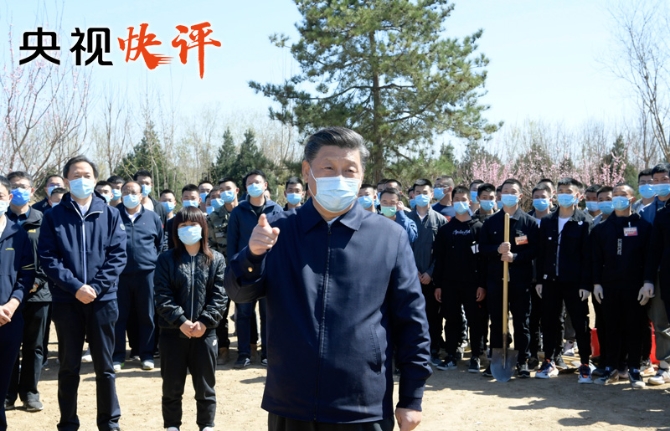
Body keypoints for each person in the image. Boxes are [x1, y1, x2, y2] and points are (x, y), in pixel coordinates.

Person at [224, 127, 431, 431]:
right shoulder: (278, 232)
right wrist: (252, 255)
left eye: (350, 170)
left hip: (362, 404)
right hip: (291, 401)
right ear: (307, 171)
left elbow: (412, 320)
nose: (340, 178)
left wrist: (412, 396)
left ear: (362, 176)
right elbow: (238, 292)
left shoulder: (389, 237)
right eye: (329, 168)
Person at [38, 155, 127, 431]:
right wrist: (76, 287)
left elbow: (118, 256)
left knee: (105, 366)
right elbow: (48, 257)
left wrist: (96, 287)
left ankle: (109, 422)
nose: (82, 180)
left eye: (87, 175)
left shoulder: (110, 214)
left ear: (95, 179)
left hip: (104, 300)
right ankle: (68, 422)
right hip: (67, 300)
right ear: (66, 180)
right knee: (68, 366)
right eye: (76, 175)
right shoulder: (53, 216)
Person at [154, 207, 227, 431]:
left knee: (205, 386)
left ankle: (206, 425)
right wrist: (181, 321)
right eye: (183, 225)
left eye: (193, 225)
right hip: (172, 333)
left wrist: (204, 322)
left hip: (205, 334)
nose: (188, 229)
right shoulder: (166, 259)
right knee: (172, 386)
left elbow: (220, 296)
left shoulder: (216, 259)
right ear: (176, 229)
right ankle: (172, 426)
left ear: (203, 228)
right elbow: (162, 295)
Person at [592, 184, 652, 388]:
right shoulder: (602, 228)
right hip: (609, 286)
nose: (617, 198)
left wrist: (647, 282)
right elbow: (596, 259)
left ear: (631, 199)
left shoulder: (643, 227)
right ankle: (610, 368)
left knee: (635, 328)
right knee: (611, 328)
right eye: (615, 195)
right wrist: (597, 283)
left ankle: (634, 369)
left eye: (622, 195)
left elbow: (649, 258)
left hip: (635, 287)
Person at [535, 178, 594, 383]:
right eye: (560, 191)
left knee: (580, 322)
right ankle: (549, 360)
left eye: (568, 191)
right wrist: (539, 280)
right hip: (550, 280)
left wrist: (585, 284)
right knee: (550, 321)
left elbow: (588, 257)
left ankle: (585, 363)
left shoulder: (584, 221)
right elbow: (542, 253)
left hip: (575, 282)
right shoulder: (548, 221)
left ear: (578, 196)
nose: (564, 195)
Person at [479, 178, 539, 378]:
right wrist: (497, 249)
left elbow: (535, 250)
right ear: (500, 195)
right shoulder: (491, 222)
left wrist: (516, 257)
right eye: (505, 191)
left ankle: (522, 360)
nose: (508, 194)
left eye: (513, 191)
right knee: (497, 321)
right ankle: (497, 360)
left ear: (520, 196)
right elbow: (482, 248)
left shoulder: (528, 223)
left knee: (522, 321)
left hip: (521, 281)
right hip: (496, 280)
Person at [227, 169, 283, 368]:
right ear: (245, 188)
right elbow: (232, 243)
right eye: (250, 183)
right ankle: (244, 354)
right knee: (243, 314)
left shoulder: (276, 210)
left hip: (270, 271)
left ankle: (267, 353)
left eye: (257, 182)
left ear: (265, 185)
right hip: (245, 270)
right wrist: (234, 269)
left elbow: (282, 242)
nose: (254, 186)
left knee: (268, 314)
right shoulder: (238, 211)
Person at [4, 172, 50, 413]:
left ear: (32, 191)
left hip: (37, 294)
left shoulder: (43, 219)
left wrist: (36, 281)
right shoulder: (3, 221)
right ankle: (7, 393)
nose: (18, 190)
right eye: (14, 186)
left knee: (34, 346)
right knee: (8, 345)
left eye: (23, 186)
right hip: (7, 297)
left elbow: (50, 255)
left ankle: (30, 392)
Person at [433, 185, 487, 373]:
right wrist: (438, 285)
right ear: (452, 201)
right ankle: (451, 354)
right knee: (452, 320)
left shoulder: (479, 228)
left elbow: (484, 260)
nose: (460, 203)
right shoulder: (445, 230)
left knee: (476, 321)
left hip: (473, 285)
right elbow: (439, 259)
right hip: (449, 284)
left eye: (464, 200)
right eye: (457, 200)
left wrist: (482, 284)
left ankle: (475, 356)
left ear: (470, 202)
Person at [113, 181, 163, 372]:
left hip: (147, 274)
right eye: (125, 192)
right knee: (118, 316)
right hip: (119, 275)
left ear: (141, 195)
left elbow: (160, 243)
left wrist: (152, 262)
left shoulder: (152, 217)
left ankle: (147, 355)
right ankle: (118, 356)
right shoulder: (113, 215)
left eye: (133, 192)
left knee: (147, 315)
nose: (129, 195)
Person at [0, 175, 35, 431]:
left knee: (1, 385)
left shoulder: (18, 234)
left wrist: (12, 305)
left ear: (8, 198)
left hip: (9, 319)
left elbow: (26, 276)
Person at [408, 179, 448, 365]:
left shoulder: (440, 221)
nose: (421, 196)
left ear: (432, 195)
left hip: (431, 280)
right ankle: (411, 351)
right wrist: (413, 271)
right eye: (418, 192)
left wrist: (430, 273)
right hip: (410, 279)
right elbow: (403, 250)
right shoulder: (406, 219)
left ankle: (433, 350)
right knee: (410, 316)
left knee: (433, 317)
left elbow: (442, 253)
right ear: (413, 195)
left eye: (425, 192)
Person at [644, 166, 670, 386]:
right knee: (661, 322)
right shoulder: (660, 215)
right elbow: (653, 250)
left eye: (665, 179)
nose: (660, 183)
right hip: (664, 275)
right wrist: (648, 279)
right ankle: (665, 366)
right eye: (657, 180)